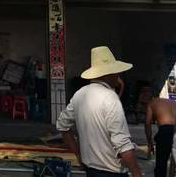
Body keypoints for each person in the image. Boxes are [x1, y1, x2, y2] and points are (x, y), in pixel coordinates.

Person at [56, 46, 142, 177]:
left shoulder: (80, 94)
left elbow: (63, 126)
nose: (118, 76)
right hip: (111, 171)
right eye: (116, 72)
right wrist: (137, 173)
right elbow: (122, 143)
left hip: (90, 168)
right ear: (108, 74)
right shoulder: (110, 98)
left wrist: (78, 154)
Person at [145, 93, 176, 177]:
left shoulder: (151, 103)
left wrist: (150, 143)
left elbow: (147, 124)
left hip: (165, 131)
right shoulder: (172, 102)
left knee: (161, 164)